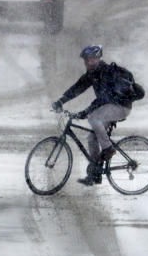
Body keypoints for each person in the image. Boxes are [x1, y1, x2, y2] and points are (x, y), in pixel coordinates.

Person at [51, 45, 133, 186]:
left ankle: (108, 149)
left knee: (94, 118)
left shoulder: (105, 72)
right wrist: (60, 101)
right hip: (109, 107)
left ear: (97, 59)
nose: (88, 62)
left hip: (121, 106)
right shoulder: (91, 74)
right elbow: (77, 88)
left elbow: (104, 98)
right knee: (92, 138)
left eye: (91, 59)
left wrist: (86, 111)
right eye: (86, 60)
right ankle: (95, 174)